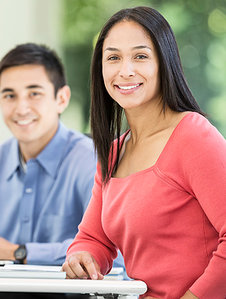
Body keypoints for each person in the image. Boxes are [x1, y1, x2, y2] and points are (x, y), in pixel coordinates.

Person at [62, 6, 226, 299]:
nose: (125, 70)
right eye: (113, 57)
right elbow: (92, 238)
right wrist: (81, 255)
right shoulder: (112, 153)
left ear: (165, 63)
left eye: (140, 56)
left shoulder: (193, 136)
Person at [0, 43, 103, 266]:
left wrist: (18, 252)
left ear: (61, 99)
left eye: (34, 93)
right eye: (9, 96)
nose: (21, 108)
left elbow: (108, 250)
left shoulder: (91, 162)